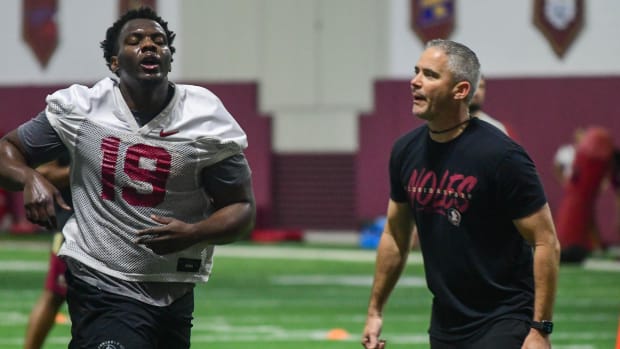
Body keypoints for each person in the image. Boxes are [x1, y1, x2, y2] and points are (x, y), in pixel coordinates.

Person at [0, 7, 255, 349]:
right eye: (135, 41)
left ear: (168, 58)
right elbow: (7, 151)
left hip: (173, 288)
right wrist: (30, 179)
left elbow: (241, 208)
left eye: (159, 41)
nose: (149, 45)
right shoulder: (84, 108)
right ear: (114, 62)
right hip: (100, 280)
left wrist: (195, 232)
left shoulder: (204, 117)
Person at [361, 39, 561, 349]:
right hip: (445, 324)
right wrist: (375, 311)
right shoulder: (405, 151)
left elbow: (545, 240)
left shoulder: (502, 156)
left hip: (504, 319)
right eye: (416, 71)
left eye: (429, 74)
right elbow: (396, 235)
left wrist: (540, 329)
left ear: (461, 90)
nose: (414, 81)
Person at [24, 155, 71, 349]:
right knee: (55, 294)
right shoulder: (70, 125)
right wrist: (84, 170)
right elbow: (44, 172)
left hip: (118, 228)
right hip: (74, 225)